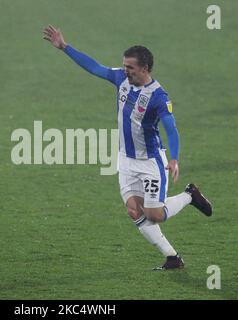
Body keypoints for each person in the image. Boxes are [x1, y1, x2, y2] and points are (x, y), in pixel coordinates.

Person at [43, 25, 213, 270]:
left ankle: (189, 195)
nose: (125, 70)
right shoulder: (121, 79)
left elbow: (171, 129)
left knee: (154, 214)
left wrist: (174, 159)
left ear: (144, 68)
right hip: (126, 159)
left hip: (150, 162)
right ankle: (172, 258)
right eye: (124, 66)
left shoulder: (158, 97)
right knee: (134, 210)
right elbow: (95, 67)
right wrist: (65, 47)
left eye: (130, 67)